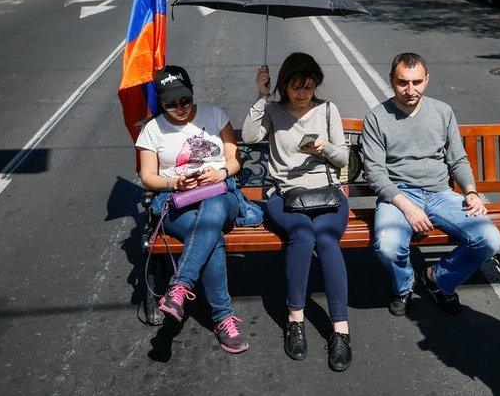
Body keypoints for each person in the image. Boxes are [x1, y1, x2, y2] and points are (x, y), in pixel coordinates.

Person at [363, 52, 500, 317]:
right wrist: (407, 207)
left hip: (439, 193)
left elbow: (457, 159)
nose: (410, 90)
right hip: (398, 195)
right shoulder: (376, 117)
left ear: (427, 80)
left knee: (489, 239)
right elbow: (376, 173)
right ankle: (404, 286)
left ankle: (438, 278)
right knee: (388, 244)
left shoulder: (442, 111)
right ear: (391, 80)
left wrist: (471, 191)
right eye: (403, 82)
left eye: (417, 82)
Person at [242, 53, 353, 372]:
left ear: (316, 84)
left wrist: (325, 149)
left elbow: (343, 159)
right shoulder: (274, 111)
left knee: (327, 238)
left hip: (328, 192)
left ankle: (340, 331)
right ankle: (295, 320)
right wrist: (261, 96)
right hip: (285, 194)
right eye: (294, 87)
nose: (302, 93)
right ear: (284, 85)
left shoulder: (328, 109)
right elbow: (250, 137)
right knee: (303, 235)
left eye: (308, 86)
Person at [136, 65, 249, 354]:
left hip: (222, 193)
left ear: (192, 94)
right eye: (170, 104)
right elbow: (148, 176)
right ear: (160, 103)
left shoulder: (214, 115)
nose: (180, 108)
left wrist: (220, 173)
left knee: (212, 209)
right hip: (177, 201)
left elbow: (235, 160)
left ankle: (179, 286)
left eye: (185, 100)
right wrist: (174, 181)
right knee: (211, 236)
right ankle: (223, 319)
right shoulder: (152, 129)